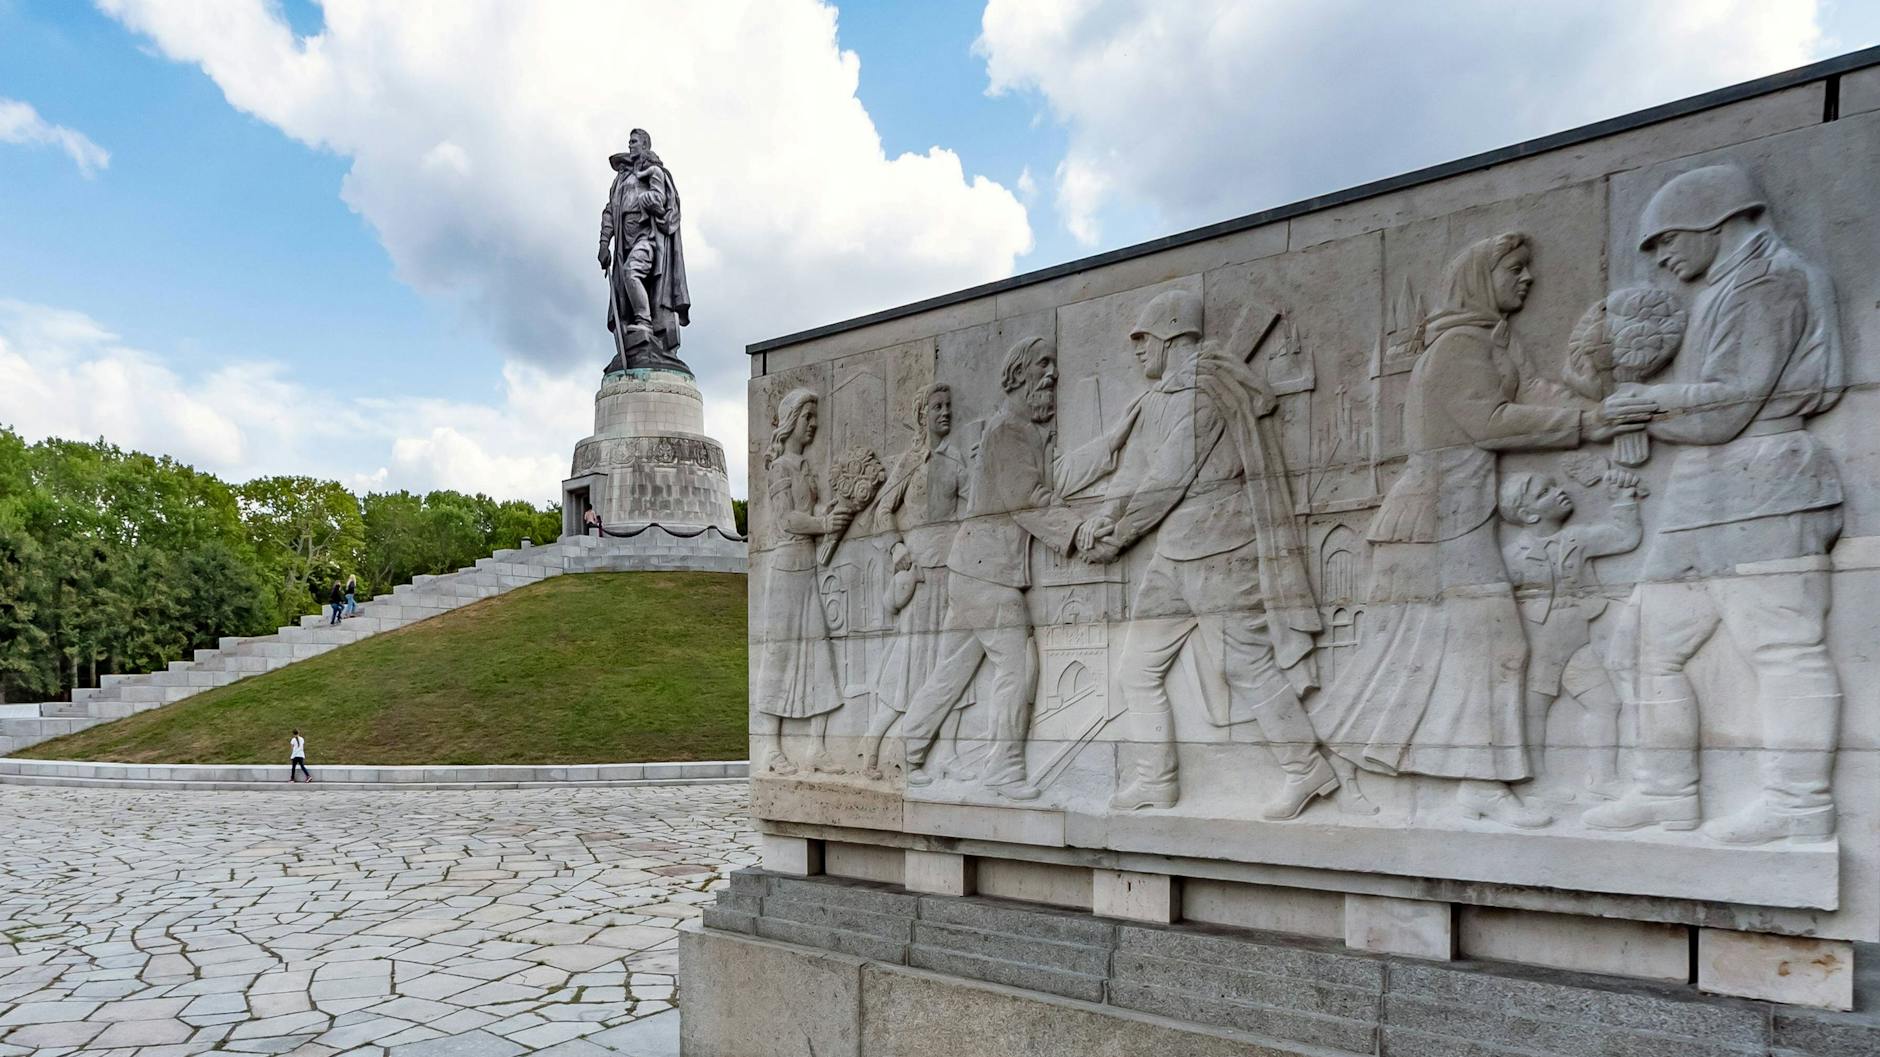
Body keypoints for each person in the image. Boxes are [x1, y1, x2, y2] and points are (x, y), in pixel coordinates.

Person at [1307, 232, 1651, 828]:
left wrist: (1599, 400)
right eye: (1514, 269)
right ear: (1478, 279)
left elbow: (1532, 391)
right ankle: (1451, 781)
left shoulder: (1493, 341)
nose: (1527, 279)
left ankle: (1460, 782)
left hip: (1455, 520)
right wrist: (1587, 423)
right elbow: (1489, 421)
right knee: (1472, 646)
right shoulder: (1458, 347)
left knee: (1438, 651)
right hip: (1432, 524)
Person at [1584, 165, 1845, 844]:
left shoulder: (1769, 281)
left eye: (1667, 239)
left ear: (1713, 220)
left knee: (1783, 648)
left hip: (1767, 486)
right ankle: (1664, 793)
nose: (1661, 258)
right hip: (1705, 492)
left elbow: (1728, 405)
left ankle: (1798, 803)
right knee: (1640, 643)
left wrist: (1644, 405)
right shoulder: (1724, 287)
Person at [1061, 289, 1358, 819]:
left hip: (1221, 550)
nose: (1137, 350)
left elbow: (1168, 478)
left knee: (1246, 666)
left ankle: (1305, 768)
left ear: (1171, 334)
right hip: (1174, 555)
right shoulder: (1160, 398)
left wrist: (1120, 535)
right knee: (1137, 669)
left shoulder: (1206, 391)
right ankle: (1156, 781)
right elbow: (1136, 470)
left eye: (1143, 339)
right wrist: (1105, 515)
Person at [897, 336, 1091, 802]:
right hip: (988, 574)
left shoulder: (1019, 431)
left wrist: (1115, 443)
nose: (1053, 375)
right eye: (1043, 365)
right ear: (1019, 374)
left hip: (971, 569)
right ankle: (1003, 770)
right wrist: (1077, 532)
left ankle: (908, 751)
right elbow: (1028, 499)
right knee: (1017, 666)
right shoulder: (1009, 432)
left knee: (951, 671)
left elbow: (1055, 480)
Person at [1497, 468, 1642, 799]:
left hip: (1578, 641)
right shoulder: (1511, 556)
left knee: (1606, 703)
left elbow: (1625, 537)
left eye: (1553, 485)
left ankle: (1603, 779)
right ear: (1528, 514)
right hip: (1538, 645)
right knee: (1534, 711)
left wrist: (1624, 499)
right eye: (1545, 492)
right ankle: (1536, 781)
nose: (1559, 490)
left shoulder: (1577, 538)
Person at [862, 383, 972, 781]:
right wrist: (896, 549)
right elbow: (882, 512)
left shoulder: (957, 460)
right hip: (921, 576)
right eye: (937, 406)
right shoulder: (911, 461)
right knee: (911, 668)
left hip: (953, 572)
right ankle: (874, 748)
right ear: (922, 415)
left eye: (948, 406)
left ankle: (949, 752)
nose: (945, 412)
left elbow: (975, 509)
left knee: (950, 665)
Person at [753, 388, 849, 775]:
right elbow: (786, 520)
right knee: (779, 656)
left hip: (809, 568)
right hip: (786, 570)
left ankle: (816, 748)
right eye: (808, 417)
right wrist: (824, 523)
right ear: (792, 420)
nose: (814, 424)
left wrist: (836, 509)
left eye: (814, 417)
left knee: (819, 656)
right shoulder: (779, 468)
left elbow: (811, 510)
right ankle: (771, 749)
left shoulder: (806, 467)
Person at [599, 128, 691, 374]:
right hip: (623, 243)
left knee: (633, 272)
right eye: (629, 141)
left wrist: (654, 205)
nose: (630, 145)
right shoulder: (621, 179)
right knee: (625, 286)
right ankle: (636, 332)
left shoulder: (655, 172)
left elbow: (666, 205)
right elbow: (609, 211)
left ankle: (644, 322)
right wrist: (604, 243)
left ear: (645, 145)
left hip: (648, 238)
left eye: (634, 141)